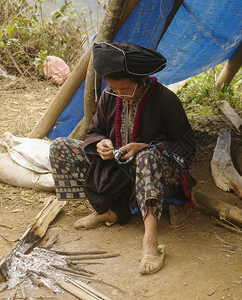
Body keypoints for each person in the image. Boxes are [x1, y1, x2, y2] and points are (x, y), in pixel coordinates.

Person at [49, 42, 195, 275]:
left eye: (125, 89)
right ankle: (106, 209)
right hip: (119, 170)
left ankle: (150, 240)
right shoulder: (110, 96)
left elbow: (187, 147)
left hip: (158, 173)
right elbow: (94, 131)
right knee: (60, 147)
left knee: (147, 157)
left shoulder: (165, 100)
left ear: (142, 80)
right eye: (114, 89)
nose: (120, 95)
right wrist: (101, 144)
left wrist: (147, 147)